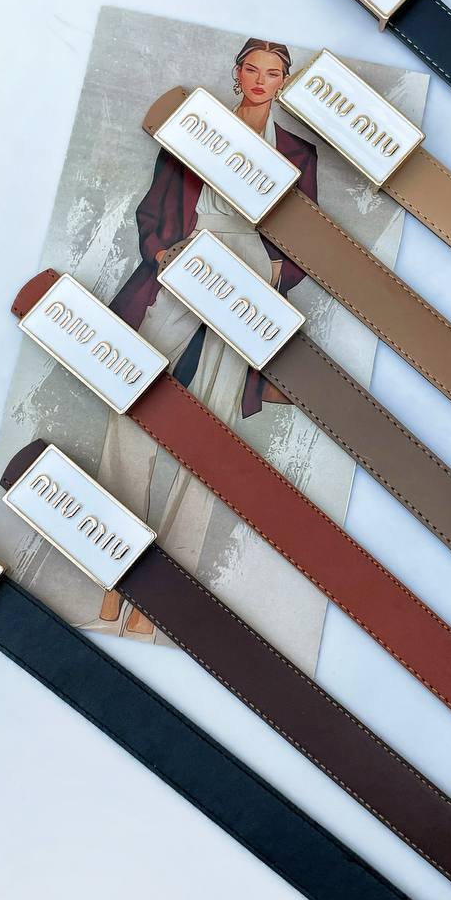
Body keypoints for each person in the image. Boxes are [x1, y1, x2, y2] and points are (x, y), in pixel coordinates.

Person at [96, 38, 318, 636]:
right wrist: (160, 254)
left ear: (285, 81)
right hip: (185, 259)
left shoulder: (298, 153)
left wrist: (274, 274)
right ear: (237, 72)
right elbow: (153, 209)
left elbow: (309, 235)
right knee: (134, 399)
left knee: (213, 430)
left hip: (249, 275)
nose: (261, 80)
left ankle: (159, 599)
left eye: (274, 73)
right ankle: (113, 571)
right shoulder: (195, 129)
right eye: (252, 68)